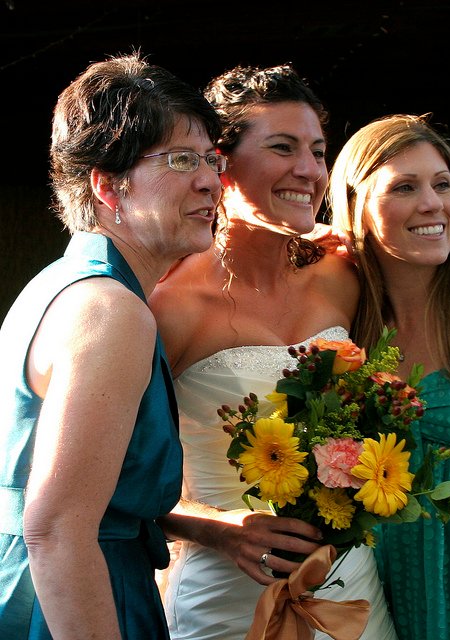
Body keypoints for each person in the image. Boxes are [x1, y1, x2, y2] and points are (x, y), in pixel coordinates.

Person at [149, 64, 398, 640]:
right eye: (283, 148)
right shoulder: (170, 307)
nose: (309, 170)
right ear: (220, 162)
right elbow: (107, 483)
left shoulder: (343, 275)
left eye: (318, 151)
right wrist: (217, 529)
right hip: (223, 602)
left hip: (350, 590)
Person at [0, 52, 223, 639]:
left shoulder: (56, 285)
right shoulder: (111, 309)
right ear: (106, 185)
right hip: (78, 601)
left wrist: (214, 529)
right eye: (181, 159)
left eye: (212, 159)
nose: (211, 180)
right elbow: (55, 529)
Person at [328, 113, 450, 640]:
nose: (433, 203)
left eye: (443, 184)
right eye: (405, 187)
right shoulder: (337, 337)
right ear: (357, 206)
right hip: (377, 597)